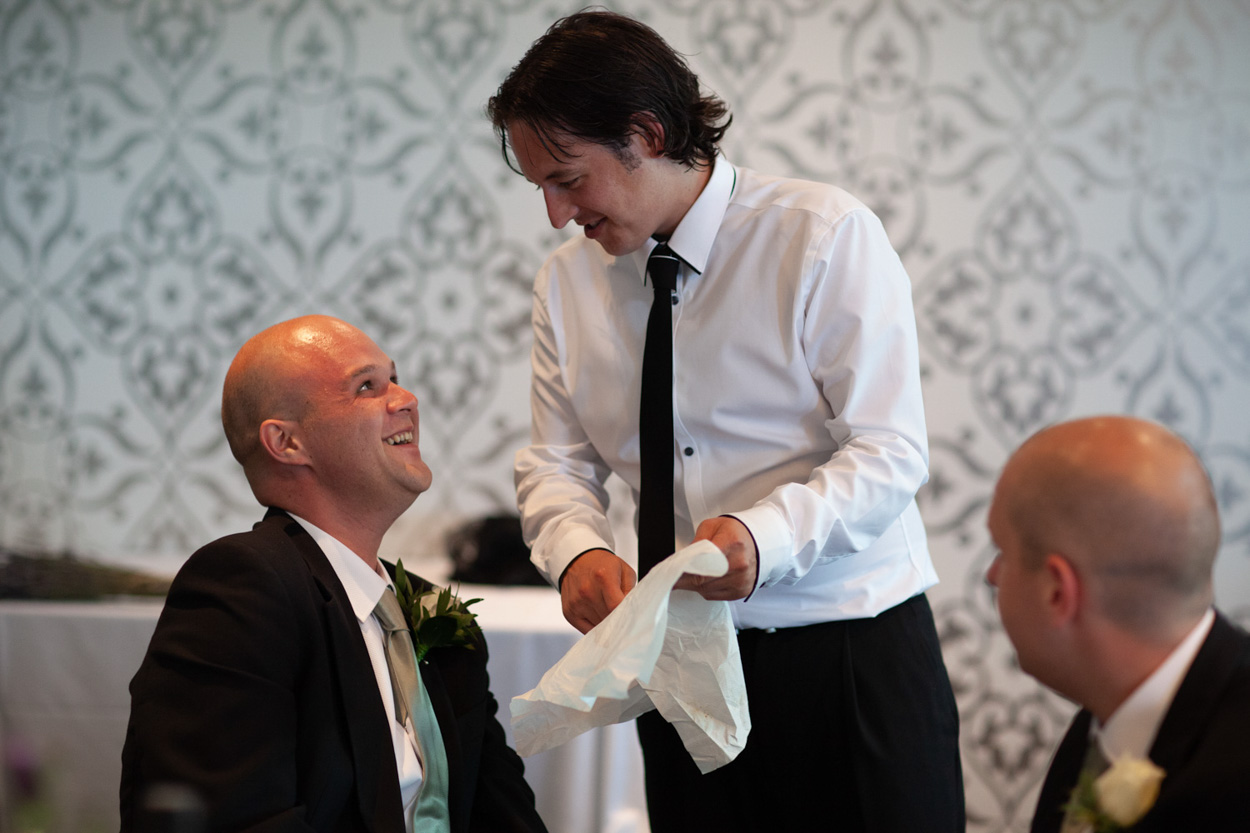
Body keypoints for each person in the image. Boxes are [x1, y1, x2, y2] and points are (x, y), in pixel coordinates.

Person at [487, 11, 962, 832]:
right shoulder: (565, 285)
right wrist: (578, 552)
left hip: (848, 655)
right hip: (679, 665)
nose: (558, 215)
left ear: (646, 132)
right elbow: (557, 463)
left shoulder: (822, 236)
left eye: (568, 178)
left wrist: (761, 539)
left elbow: (889, 450)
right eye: (541, 188)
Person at [119, 315, 547, 833]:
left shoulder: (434, 611)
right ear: (287, 443)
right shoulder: (243, 587)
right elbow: (233, 819)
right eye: (367, 387)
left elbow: (505, 817)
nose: (407, 398)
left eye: (395, 377)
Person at [986, 416, 1250, 832]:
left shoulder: (1232, 784)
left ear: (1057, 590)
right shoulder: (1094, 731)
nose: (992, 575)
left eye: (1003, 552)